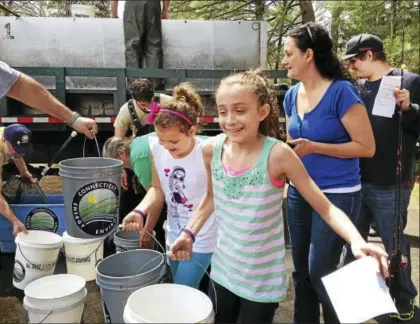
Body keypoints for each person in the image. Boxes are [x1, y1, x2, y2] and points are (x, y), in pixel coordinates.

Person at [151, 69, 386, 324]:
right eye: (222, 111)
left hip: (260, 283)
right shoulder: (211, 150)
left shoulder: (278, 155)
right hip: (222, 272)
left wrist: (355, 240)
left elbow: (325, 206)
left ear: (262, 112)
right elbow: (210, 198)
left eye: (240, 110)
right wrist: (189, 234)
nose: (230, 120)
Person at [282, 22, 376, 324]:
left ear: (308, 54)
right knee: (300, 271)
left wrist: (316, 147)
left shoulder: (342, 92)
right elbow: (292, 142)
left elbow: (366, 147)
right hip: (299, 192)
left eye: (288, 53)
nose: (284, 60)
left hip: (338, 193)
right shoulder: (290, 95)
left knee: (320, 270)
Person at [0, 51, 98, 305]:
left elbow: (19, 85)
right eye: (16, 150)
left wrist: (25, 172)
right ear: (6, 142)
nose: (18, 154)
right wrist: (15, 221)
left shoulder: (8, 139)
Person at [343, 33, 420, 321]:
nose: (351, 68)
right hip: (355, 180)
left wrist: (408, 108)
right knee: (354, 242)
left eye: (353, 61)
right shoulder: (356, 87)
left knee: (395, 245)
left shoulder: (410, 81)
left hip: (392, 183)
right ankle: (357, 295)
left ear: (369, 54)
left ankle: (403, 299)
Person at [122, 83, 217, 290]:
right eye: (162, 140)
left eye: (173, 142)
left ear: (192, 131)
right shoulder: (157, 148)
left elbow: (213, 197)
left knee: (181, 290)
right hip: (172, 232)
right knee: (180, 289)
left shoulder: (206, 153)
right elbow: (157, 189)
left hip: (201, 235)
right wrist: (140, 211)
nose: (168, 147)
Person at [113, 78, 172, 246]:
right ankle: (126, 229)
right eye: (142, 103)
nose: (147, 106)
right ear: (134, 100)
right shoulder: (127, 110)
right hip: (136, 156)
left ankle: (158, 233)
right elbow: (117, 142)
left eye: (150, 101)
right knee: (128, 195)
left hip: (165, 155)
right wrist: (121, 169)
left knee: (161, 196)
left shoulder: (167, 103)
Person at [102, 133, 165, 250]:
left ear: (121, 153)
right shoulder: (137, 143)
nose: (124, 170)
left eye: (121, 166)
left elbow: (156, 199)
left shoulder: (138, 159)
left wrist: (147, 232)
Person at [110, 0, 170, 89]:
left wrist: (114, 15)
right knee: (153, 46)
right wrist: (165, 11)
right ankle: (156, 90)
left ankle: (135, 90)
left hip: (133, 5)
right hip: (153, 4)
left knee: (133, 47)